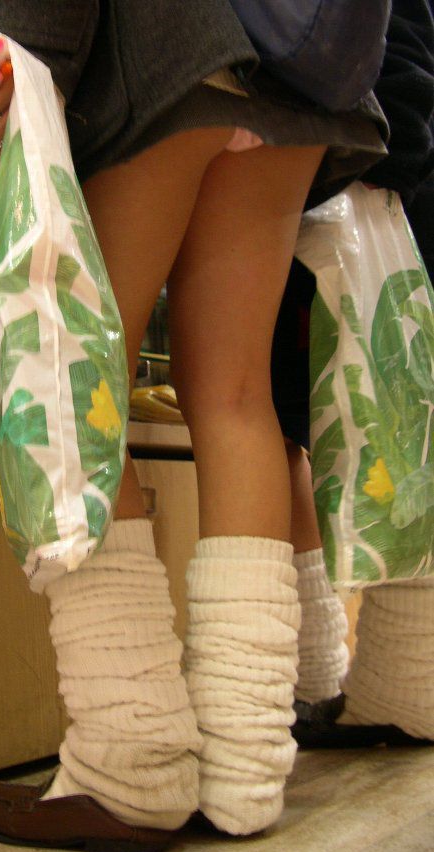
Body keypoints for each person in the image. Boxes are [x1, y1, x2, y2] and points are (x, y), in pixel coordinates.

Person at [0, 1, 389, 852]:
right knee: (234, 396)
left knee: (78, 377)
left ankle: (130, 763)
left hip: (160, 44)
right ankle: (243, 766)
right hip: (295, 77)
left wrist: (30, 53)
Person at [271, 0, 434, 748]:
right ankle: (380, 682)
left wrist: (369, 172)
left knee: (287, 419)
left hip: (354, 172)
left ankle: (383, 685)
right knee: (392, 424)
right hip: (373, 171)